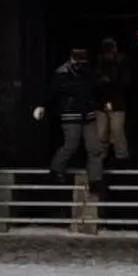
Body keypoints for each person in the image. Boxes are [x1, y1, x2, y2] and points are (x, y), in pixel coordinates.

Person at [36, 46, 103, 190]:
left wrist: (101, 102)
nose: (80, 64)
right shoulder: (62, 73)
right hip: (71, 113)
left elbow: (95, 89)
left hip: (88, 113)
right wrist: (42, 105)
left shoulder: (87, 72)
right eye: (78, 61)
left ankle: (95, 180)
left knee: (94, 148)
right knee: (71, 145)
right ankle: (56, 170)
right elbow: (51, 91)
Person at [94, 37, 131, 163]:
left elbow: (126, 82)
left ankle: (121, 157)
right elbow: (93, 82)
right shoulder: (98, 64)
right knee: (101, 133)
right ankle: (101, 157)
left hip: (117, 102)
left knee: (117, 130)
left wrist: (111, 81)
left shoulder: (122, 63)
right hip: (101, 102)